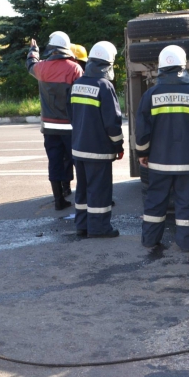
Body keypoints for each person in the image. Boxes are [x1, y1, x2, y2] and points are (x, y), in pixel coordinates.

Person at [135, 45, 189, 252]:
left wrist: (143, 153)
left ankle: (150, 240)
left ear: (161, 68)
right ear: (183, 67)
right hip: (188, 161)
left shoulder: (150, 95)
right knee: (186, 202)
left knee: (155, 201)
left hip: (158, 162)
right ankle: (186, 244)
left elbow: (142, 131)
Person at [69, 41, 124, 238]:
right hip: (98, 150)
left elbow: (72, 115)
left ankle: (82, 225)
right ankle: (99, 228)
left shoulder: (77, 84)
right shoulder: (104, 86)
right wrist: (118, 145)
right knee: (99, 191)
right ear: (107, 64)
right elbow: (112, 123)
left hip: (78, 148)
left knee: (82, 190)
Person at [27, 31, 83, 210]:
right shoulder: (74, 68)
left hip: (49, 128)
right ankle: (82, 197)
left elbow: (30, 64)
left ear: (52, 48)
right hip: (71, 127)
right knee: (78, 162)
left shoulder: (41, 68)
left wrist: (33, 50)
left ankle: (59, 200)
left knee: (55, 162)